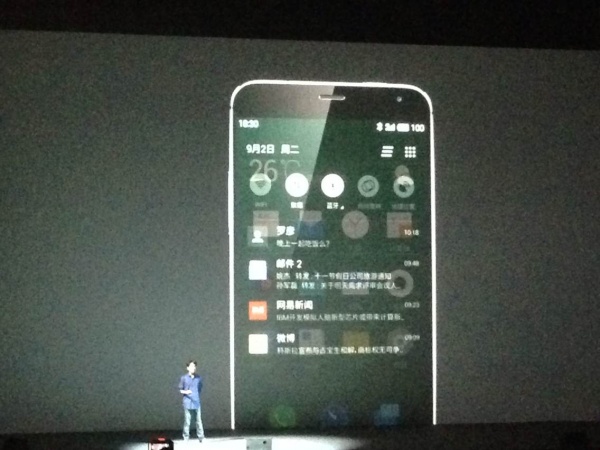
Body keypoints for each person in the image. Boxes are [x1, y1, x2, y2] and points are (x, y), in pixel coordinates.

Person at [178, 360, 205, 442]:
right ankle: (186, 437)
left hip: (196, 402)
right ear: (187, 368)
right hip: (187, 402)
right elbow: (180, 390)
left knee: (199, 421)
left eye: (194, 366)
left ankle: (201, 437)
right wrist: (186, 392)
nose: (193, 368)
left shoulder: (198, 378)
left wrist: (195, 395)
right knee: (187, 421)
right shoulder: (184, 378)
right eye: (192, 366)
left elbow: (200, 388)